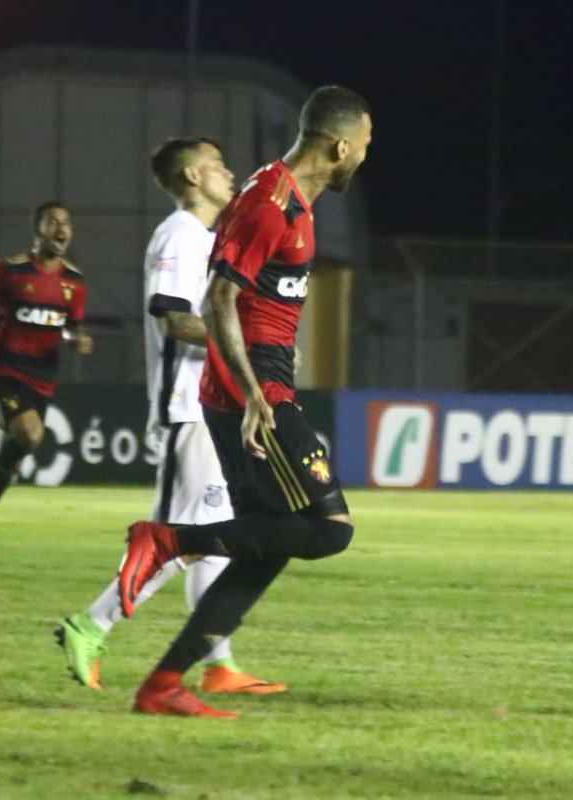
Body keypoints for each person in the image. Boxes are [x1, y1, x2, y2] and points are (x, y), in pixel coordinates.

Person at [114, 85, 372, 718]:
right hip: (255, 390)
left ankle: (164, 684)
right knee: (330, 530)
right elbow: (217, 302)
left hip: (254, 384)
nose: (366, 155)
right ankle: (169, 539)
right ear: (340, 146)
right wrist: (257, 396)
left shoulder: (289, 200)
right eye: (365, 144)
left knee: (269, 543)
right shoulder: (269, 203)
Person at [55, 138, 284, 697]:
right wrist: (245, 342)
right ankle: (90, 624)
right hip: (190, 408)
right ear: (191, 175)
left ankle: (219, 663)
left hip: (209, 407)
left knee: (212, 533)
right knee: (181, 541)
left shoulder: (204, 238)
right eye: (218, 165)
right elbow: (174, 319)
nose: (230, 173)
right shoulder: (181, 235)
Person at [0, 202, 93, 556]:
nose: (61, 229)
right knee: (29, 433)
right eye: (52, 222)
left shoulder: (74, 282)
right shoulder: (10, 271)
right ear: (38, 230)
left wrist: (78, 339)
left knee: (17, 449)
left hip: (43, 378)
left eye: (66, 223)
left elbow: (71, 327)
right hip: (4, 369)